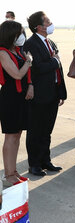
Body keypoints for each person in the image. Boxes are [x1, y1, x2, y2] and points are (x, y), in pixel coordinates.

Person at [23, 12, 67, 176]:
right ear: (39, 27)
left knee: (47, 130)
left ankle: (45, 160)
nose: (51, 23)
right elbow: (38, 68)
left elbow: (58, 71)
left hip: (53, 93)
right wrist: (55, 60)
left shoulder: (51, 42)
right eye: (48, 21)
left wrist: (61, 91)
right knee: (35, 130)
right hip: (39, 94)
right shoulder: (31, 44)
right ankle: (34, 164)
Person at [0, 21, 32, 186]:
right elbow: (17, 75)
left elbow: (26, 76)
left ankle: (13, 171)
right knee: (10, 136)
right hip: (10, 97)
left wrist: (31, 85)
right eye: (19, 33)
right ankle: (7, 174)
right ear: (10, 34)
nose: (22, 36)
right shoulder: (3, 52)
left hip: (21, 97)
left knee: (17, 134)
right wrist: (29, 62)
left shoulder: (18, 51)